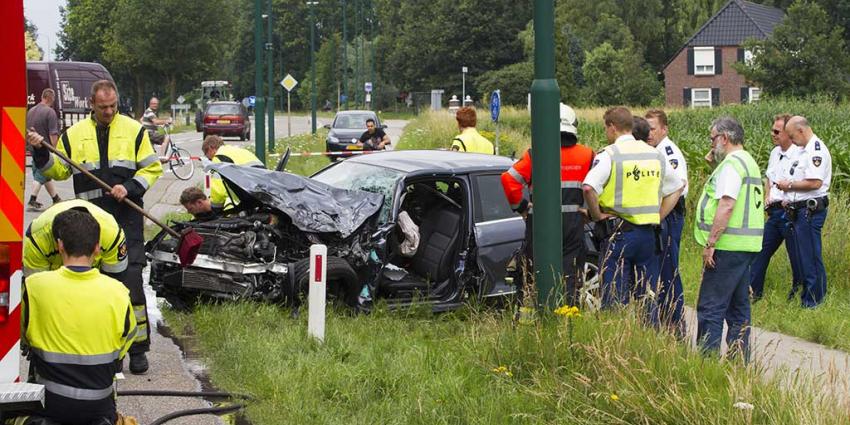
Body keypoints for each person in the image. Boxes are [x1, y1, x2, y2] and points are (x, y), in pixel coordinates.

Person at [27, 79, 162, 375]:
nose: (109, 112)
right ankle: (106, 351)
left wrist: (128, 187)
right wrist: (40, 153)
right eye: (103, 107)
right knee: (95, 285)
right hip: (91, 219)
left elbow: (153, 168)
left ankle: (138, 349)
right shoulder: (74, 135)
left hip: (126, 216)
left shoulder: (134, 130)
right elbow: (58, 170)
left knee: (131, 284)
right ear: (92, 104)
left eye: (113, 106)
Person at [21, 209, 136, 425]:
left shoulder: (34, 286)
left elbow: (23, 335)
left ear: (60, 246)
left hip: (48, 407)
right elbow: (126, 341)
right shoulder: (119, 291)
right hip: (99, 409)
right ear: (97, 248)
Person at [582, 107, 683, 326]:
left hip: (619, 234)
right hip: (649, 235)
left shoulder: (610, 154)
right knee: (648, 296)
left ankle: (617, 343)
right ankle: (650, 342)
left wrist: (597, 214)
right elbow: (677, 187)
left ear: (612, 127)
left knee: (614, 298)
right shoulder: (655, 154)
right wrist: (659, 215)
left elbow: (589, 187)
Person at [501, 103, 594, 306]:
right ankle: (567, 314)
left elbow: (509, 180)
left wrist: (522, 207)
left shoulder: (536, 154)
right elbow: (595, 188)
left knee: (535, 272)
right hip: (572, 223)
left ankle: (537, 314)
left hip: (540, 223)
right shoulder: (587, 155)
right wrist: (591, 212)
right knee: (570, 274)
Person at [694, 117, 763, 361]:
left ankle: (706, 363)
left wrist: (711, 243)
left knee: (711, 308)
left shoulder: (732, 165)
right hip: (746, 246)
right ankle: (738, 363)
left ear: (724, 138)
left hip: (726, 246)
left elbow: (727, 204)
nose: (711, 144)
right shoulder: (747, 162)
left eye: (712, 139)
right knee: (738, 311)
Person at [776, 116, 832, 308]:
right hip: (798, 211)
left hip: (810, 211)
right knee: (803, 258)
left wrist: (789, 185)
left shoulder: (815, 151)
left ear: (800, 130)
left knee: (810, 259)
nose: (791, 140)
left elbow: (815, 182)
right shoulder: (802, 151)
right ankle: (807, 297)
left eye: (792, 136)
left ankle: (813, 302)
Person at [749, 114, 803, 301]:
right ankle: (753, 293)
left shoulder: (799, 154)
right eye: (772, 130)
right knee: (760, 251)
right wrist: (767, 197)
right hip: (774, 212)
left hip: (790, 211)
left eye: (777, 131)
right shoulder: (774, 153)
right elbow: (769, 179)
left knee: (796, 255)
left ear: (789, 133)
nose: (773, 134)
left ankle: (798, 295)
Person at [645, 109, 689, 335]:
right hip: (663, 213)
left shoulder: (667, 151)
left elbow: (677, 186)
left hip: (669, 214)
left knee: (668, 268)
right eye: (646, 128)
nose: (648, 133)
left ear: (664, 129)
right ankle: (665, 318)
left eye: (653, 128)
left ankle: (675, 322)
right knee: (661, 268)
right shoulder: (653, 151)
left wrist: (659, 216)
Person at [24, 199, 127, 279]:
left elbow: (114, 282)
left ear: (97, 247)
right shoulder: (38, 240)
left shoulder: (112, 235)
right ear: (60, 246)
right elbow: (36, 289)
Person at [202, 134, 265, 210]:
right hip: (264, 187)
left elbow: (219, 190)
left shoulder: (219, 157)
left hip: (250, 191)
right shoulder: (239, 150)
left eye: (207, 154)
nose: (209, 159)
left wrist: (215, 209)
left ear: (211, 148)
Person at [25, 88, 62, 211]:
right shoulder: (50, 112)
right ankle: (32, 199)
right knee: (41, 174)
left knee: (45, 175)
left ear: (42, 97)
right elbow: (53, 134)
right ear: (51, 98)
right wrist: (56, 150)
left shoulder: (31, 110)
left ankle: (56, 198)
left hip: (32, 148)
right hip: (44, 150)